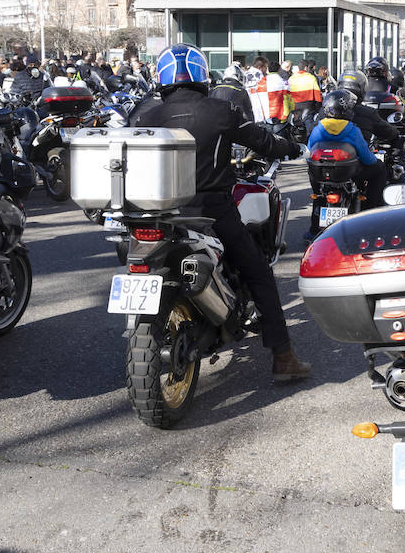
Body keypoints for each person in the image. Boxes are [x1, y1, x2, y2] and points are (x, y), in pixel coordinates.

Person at [130, 44, 311, 382]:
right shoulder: (220, 110)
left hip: (151, 214)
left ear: (162, 78)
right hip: (209, 210)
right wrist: (292, 146)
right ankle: (283, 358)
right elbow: (265, 142)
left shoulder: (144, 116)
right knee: (259, 273)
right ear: (201, 76)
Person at [308, 89, 385, 210]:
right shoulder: (352, 130)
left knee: (316, 189)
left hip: (323, 174)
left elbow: (308, 153)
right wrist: (375, 161)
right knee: (379, 169)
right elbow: (366, 158)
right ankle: (370, 207)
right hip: (349, 173)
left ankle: (318, 206)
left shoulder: (319, 128)